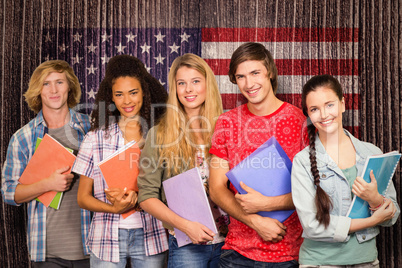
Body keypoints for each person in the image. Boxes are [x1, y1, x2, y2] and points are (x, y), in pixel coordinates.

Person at [208, 42, 305, 267]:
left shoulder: (298, 120)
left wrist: (267, 204)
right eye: (241, 76)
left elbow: (314, 191)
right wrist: (255, 222)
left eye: (255, 73)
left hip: (289, 254)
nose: (249, 84)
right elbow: (216, 188)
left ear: (269, 72)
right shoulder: (227, 122)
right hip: (237, 254)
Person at [291, 74, 400, 267]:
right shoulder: (302, 162)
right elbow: (312, 226)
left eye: (330, 105)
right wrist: (369, 221)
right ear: (308, 114)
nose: (324, 115)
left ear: (342, 104)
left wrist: (375, 199)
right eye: (315, 109)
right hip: (320, 263)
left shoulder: (371, 153)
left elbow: (392, 216)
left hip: (366, 261)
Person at [71, 55, 169, 267]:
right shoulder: (94, 139)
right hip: (106, 237)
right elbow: (82, 198)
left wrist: (142, 198)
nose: (127, 101)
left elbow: (170, 188)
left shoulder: (161, 136)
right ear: (111, 98)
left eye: (133, 93)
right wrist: (114, 209)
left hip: (151, 236)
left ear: (144, 92)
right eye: (119, 94)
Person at [137, 53, 228, 268]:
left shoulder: (227, 127)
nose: (188, 89)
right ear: (175, 89)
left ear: (208, 85)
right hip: (187, 245)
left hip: (231, 245)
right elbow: (146, 197)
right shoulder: (159, 135)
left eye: (195, 81)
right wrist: (186, 226)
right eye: (181, 83)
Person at [1, 60, 91, 267]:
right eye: (46, 84)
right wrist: (47, 184)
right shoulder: (22, 138)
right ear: (37, 91)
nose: (54, 90)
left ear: (70, 86)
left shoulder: (89, 128)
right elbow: (8, 193)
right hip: (48, 253)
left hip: (92, 247)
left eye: (59, 82)